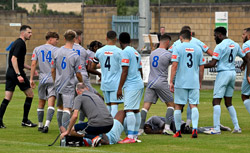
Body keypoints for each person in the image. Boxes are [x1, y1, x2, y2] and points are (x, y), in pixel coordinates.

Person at [204, 27, 248, 134]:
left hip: (223, 74)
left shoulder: (220, 46)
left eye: (215, 36)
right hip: (232, 73)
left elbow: (212, 63)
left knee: (216, 101)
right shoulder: (235, 44)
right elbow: (246, 58)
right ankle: (237, 127)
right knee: (228, 102)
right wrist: (243, 64)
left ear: (220, 35)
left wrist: (199, 66)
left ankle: (216, 128)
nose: (214, 38)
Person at [169, 25, 213, 129]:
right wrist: (200, 81)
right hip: (193, 81)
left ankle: (178, 131)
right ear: (191, 36)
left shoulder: (177, 46)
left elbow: (174, 65)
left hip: (181, 81)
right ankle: (194, 129)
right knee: (194, 105)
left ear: (181, 37)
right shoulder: (198, 48)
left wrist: (171, 81)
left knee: (178, 106)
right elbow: (201, 67)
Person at [0, 25, 37, 128]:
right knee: (30, 95)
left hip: (10, 73)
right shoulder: (20, 43)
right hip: (16, 74)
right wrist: (19, 74)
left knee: (7, 98)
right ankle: (25, 120)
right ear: (22, 33)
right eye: (29, 32)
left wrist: (30, 68)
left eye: (31, 32)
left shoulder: (18, 43)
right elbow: (13, 59)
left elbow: (19, 61)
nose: (31, 34)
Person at [139, 34, 175, 136]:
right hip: (161, 82)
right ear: (167, 42)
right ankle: (167, 128)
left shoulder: (152, 53)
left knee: (146, 106)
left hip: (150, 82)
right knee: (171, 105)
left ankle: (140, 129)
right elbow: (174, 64)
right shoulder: (168, 54)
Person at [51, 29, 83, 132]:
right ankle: (64, 131)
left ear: (64, 38)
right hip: (68, 84)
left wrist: (55, 80)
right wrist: (81, 82)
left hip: (58, 83)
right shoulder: (75, 55)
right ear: (75, 39)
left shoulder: (56, 51)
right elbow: (78, 73)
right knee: (67, 108)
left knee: (60, 107)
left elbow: (52, 70)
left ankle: (60, 129)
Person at [117, 32, 144, 143]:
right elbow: (140, 69)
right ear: (130, 41)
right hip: (138, 83)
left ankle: (131, 137)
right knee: (136, 110)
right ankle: (135, 135)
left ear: (120, 42)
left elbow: (125, 71)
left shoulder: (125, 52)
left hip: (132, 84)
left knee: (128, 110)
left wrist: (119, 88)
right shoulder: (136, 52)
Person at [30, 32, 59, 133]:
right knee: (51, 101)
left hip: (42, 79)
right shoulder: (57, 50)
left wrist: (31, 79)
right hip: (52, 78)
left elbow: (33, 64)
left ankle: (40, 125)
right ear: (50, 39)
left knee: (41, 101)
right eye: (56, 39)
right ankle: (46, 125)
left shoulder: (37, 49)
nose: (57, 41)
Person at [91, 31, 123, 117]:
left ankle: (107, 126)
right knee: (114, 105)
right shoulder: (119, 52)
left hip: (105, 83)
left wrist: (102, 65)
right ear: (116, 39)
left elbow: (93, 66)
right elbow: (124, 67)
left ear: (106, 38)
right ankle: (113, 127)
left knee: (108, 106)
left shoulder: (99, 51)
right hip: (115, 83)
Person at [143, 116, 231, 135]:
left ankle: (216, 127)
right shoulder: (148, 128)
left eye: (148, 130)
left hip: (175, 123)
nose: (149, 132)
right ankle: (215, 127)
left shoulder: (153, 119)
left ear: (147, 126)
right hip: (173, 126)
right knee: (196, 130)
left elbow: (165, 127)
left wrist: (155, 132)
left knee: (190, 130)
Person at [240, 28, 250, 115]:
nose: (242, 36)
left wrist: (248, 75)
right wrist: (244, 62)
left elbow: (249, 58)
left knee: (244, 95)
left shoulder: (247, 44)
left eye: (244, 34)